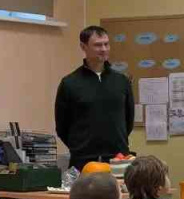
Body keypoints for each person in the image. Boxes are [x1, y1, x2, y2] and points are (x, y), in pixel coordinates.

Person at [55, 25, 135, 171]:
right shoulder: (70, 83)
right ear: (83, 47)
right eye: (98, 45)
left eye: (106, 44)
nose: (104, 49)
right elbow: (62, 126)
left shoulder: (121, 81)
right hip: (82, 160)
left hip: (117, 158)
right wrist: (80, 146)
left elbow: (128, 120)